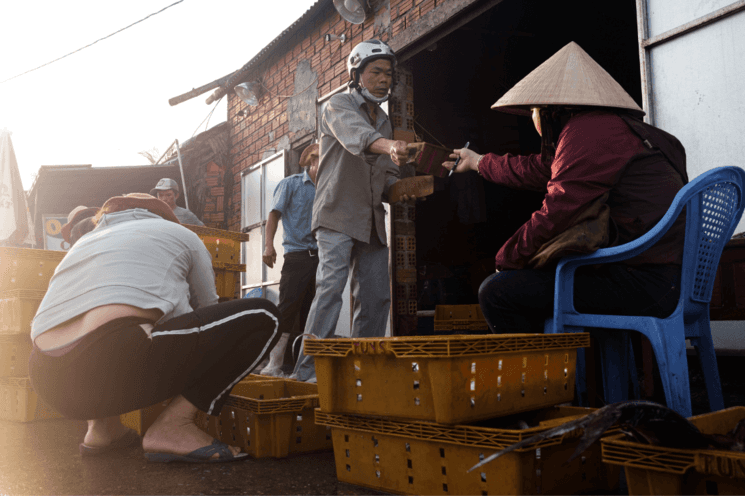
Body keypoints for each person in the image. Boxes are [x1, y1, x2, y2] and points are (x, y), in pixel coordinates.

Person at [446, 42, 688, 334]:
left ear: (550, 110)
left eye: (534, 110)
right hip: (670, 280)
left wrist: (506, 259)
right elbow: (541, 169)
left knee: (499, 292)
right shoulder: (632, 131)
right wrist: (478, 162)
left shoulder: (589, 132)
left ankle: (542, 381)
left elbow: (559, 210)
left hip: (643, 283)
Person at [29, 193, 280, 462]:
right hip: (115, 359)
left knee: (112, 327)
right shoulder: (178, 234)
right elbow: (209, 311)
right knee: (264, 316)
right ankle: (174, 426)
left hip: (47, 377)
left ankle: (102, 429)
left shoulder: (82, 245)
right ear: (163, 216)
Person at [291, 39, 410, 382]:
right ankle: (306, 374)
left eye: (388, 73)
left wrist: (402, 190)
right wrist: (391, 147)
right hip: (337, 214)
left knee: (376, 297)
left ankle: (366, 373)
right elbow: (358, 138)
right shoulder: (337, 105)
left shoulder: (385, 122)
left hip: (371, 218)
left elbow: (386, 177)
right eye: (376, 72)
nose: (384, 79)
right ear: (356, 74)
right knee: (330, 290)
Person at [259, 143, 320, 376]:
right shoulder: (291, 184)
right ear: (312, 162)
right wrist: (268, 246)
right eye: (322, 161)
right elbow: (273, 215)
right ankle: (274, 365)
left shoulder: (327, 187)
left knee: (312, 312)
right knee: (287, 309)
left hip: (321, 257)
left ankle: (304, 367)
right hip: (297, 256)